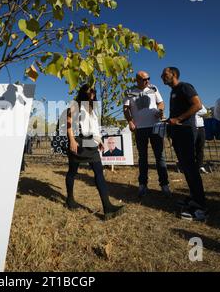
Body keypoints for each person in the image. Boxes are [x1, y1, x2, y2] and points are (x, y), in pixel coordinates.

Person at [66, 84, 124, 220]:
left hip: (91, 143)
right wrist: (72, 141)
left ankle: (107, 207)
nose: (93, 92)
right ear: (83, 92)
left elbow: (94, 127)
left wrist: (99, 141)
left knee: (99, 171)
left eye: (94, 91)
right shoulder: (75, 105)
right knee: (72, 171)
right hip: (79, 142)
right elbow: (68, 123)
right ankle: (70, 199)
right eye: (90, 90)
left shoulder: (93, 108)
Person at [161, 67, 207, 221]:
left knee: (190, 167)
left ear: (173, 74)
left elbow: (197, 105)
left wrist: (179, 119)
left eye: (165, 74)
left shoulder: (185, 87)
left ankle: (200, 206)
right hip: (177, 132)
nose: (162, 76)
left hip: (186, 131)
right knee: (186, 167)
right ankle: (194, 198)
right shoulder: (173, 91)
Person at [123, 71, 170, 198]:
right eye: (144, 79)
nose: (147, 81)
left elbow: (161, 103)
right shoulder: (129, 91)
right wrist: (130, 122)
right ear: (137, 80)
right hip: (140, 129)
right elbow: (126, 108)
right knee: (142, 157)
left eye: (148, 78)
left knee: (160, 156)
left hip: (155, 126)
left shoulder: (153, 88)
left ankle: (164, 185)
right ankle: (142, 185)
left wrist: (160, 111)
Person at [194, 105, 208, 173]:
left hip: (200, 128)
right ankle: (191, 166)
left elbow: (204, 111)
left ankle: (200, 166)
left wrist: (193, 111)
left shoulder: (198, 103)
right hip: (190, 128)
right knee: (190, 148)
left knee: (200, 148)